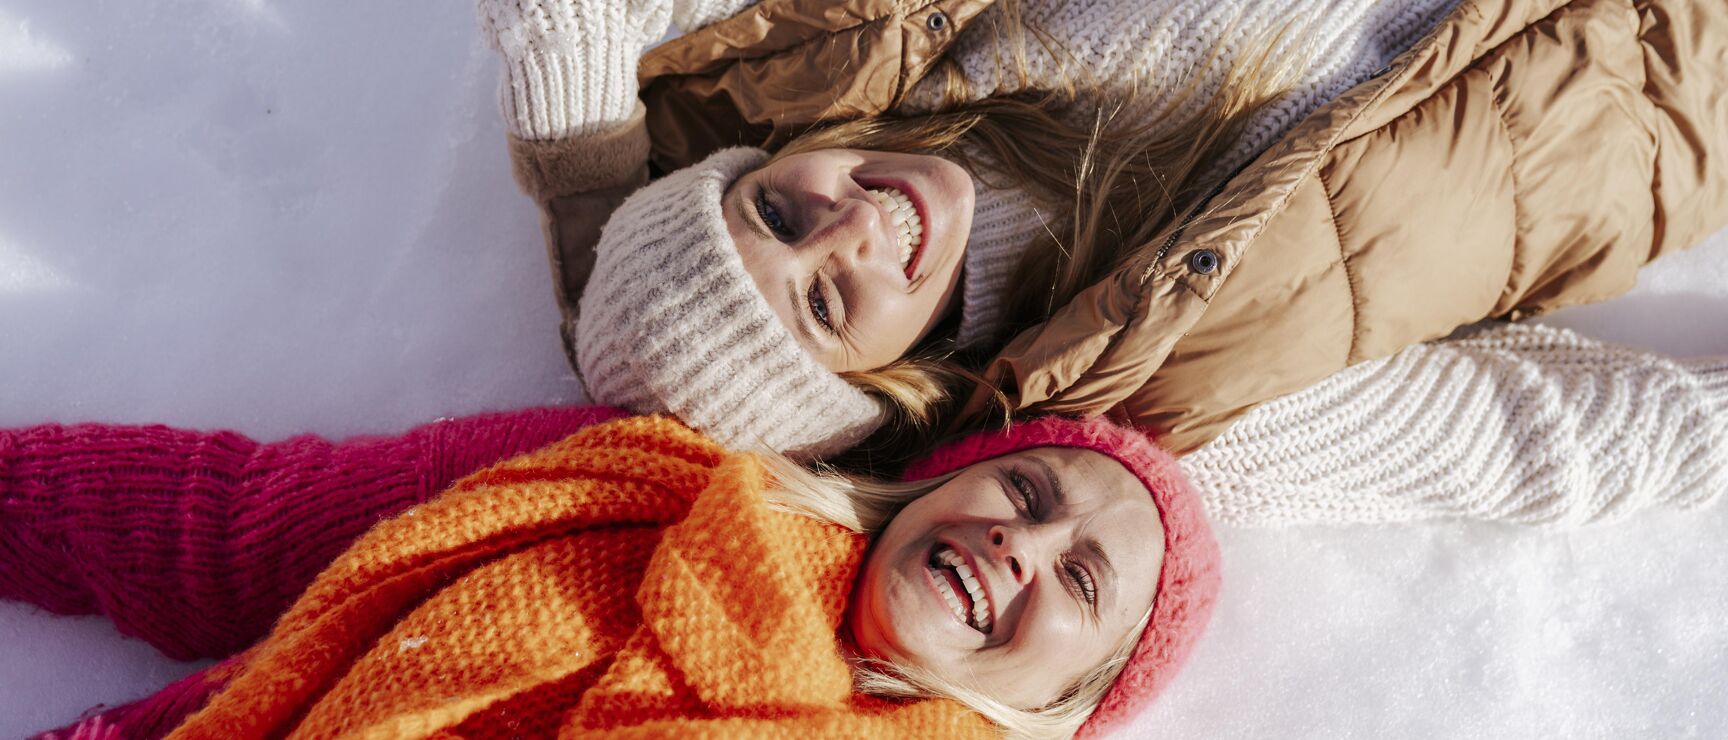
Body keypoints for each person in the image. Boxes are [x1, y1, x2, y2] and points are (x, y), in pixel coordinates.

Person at [490, 0, 1728, 460]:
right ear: (882, 389)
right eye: (823, 301)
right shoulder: (1159, 388)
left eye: (775, 208)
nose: (854, 224)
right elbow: (1524, 437)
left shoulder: (862, 43)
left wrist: (586, 188)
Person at [10, 413, 1216, 739]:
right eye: (1028, 490)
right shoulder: (653, 484)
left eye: (1085, 579)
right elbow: (230, 531)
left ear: (1078, 695)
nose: (1024, 541)